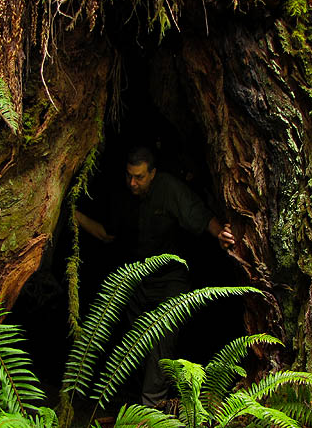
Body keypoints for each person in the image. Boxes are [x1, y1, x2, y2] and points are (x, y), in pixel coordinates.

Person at [75, 145, 235, 406]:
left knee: (161, 346)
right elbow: (106, 233)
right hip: (137, 283)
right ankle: (136, 400)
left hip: (170, 282)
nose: (132, 182)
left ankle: (151, 411)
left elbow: (200, 216)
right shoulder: (124, 195)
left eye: (139, 177)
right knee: (134, 344)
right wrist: (72, 213)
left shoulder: (168, 188)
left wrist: (220, 234)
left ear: (153, 173)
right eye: (128, 176)